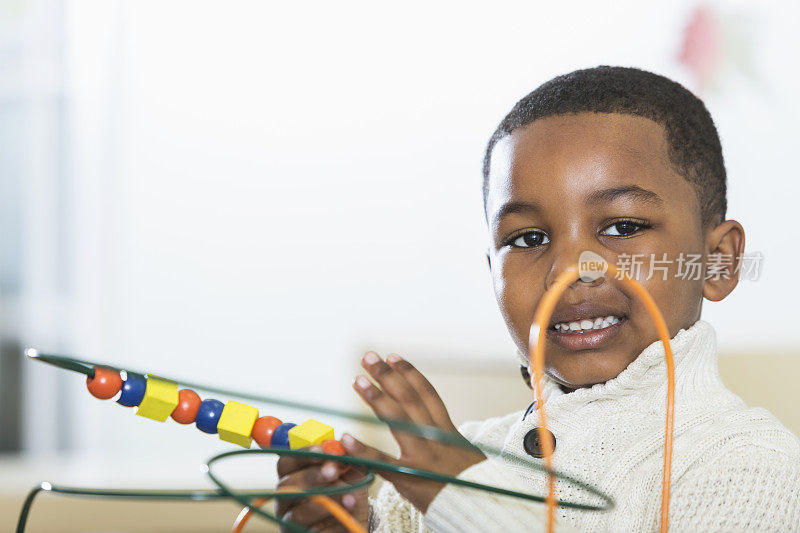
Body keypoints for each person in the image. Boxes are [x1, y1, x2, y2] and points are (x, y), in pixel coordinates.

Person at [274, 66, 800, 532]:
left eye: (622, 226)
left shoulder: (750, 463)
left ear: (717, 261)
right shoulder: (450, 463)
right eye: (528, 239)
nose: (568, 270)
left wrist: (462, 496)